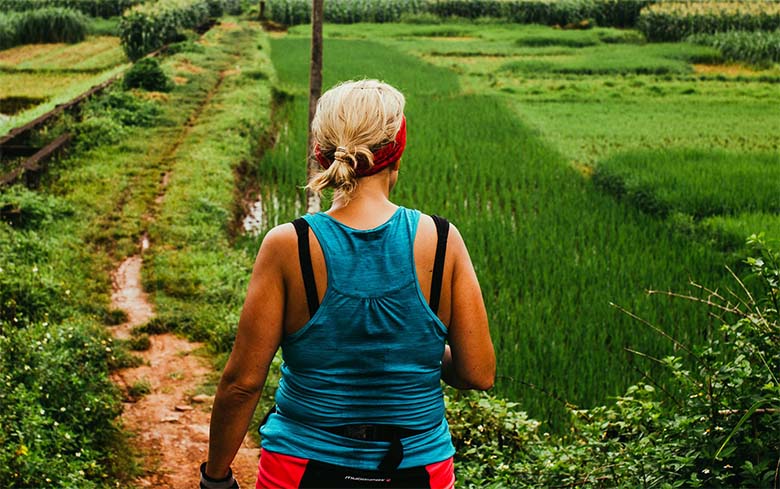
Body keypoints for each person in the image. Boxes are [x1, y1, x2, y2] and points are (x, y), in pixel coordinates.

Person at [201, 79, 495, 489]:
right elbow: (478, 372)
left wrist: (215, 478)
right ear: (398, 149)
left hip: (301, 467)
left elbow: (243, 383)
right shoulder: (443, 241)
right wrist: (421, 348)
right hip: (418, 468)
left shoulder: (290, 245)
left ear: (321, 154)